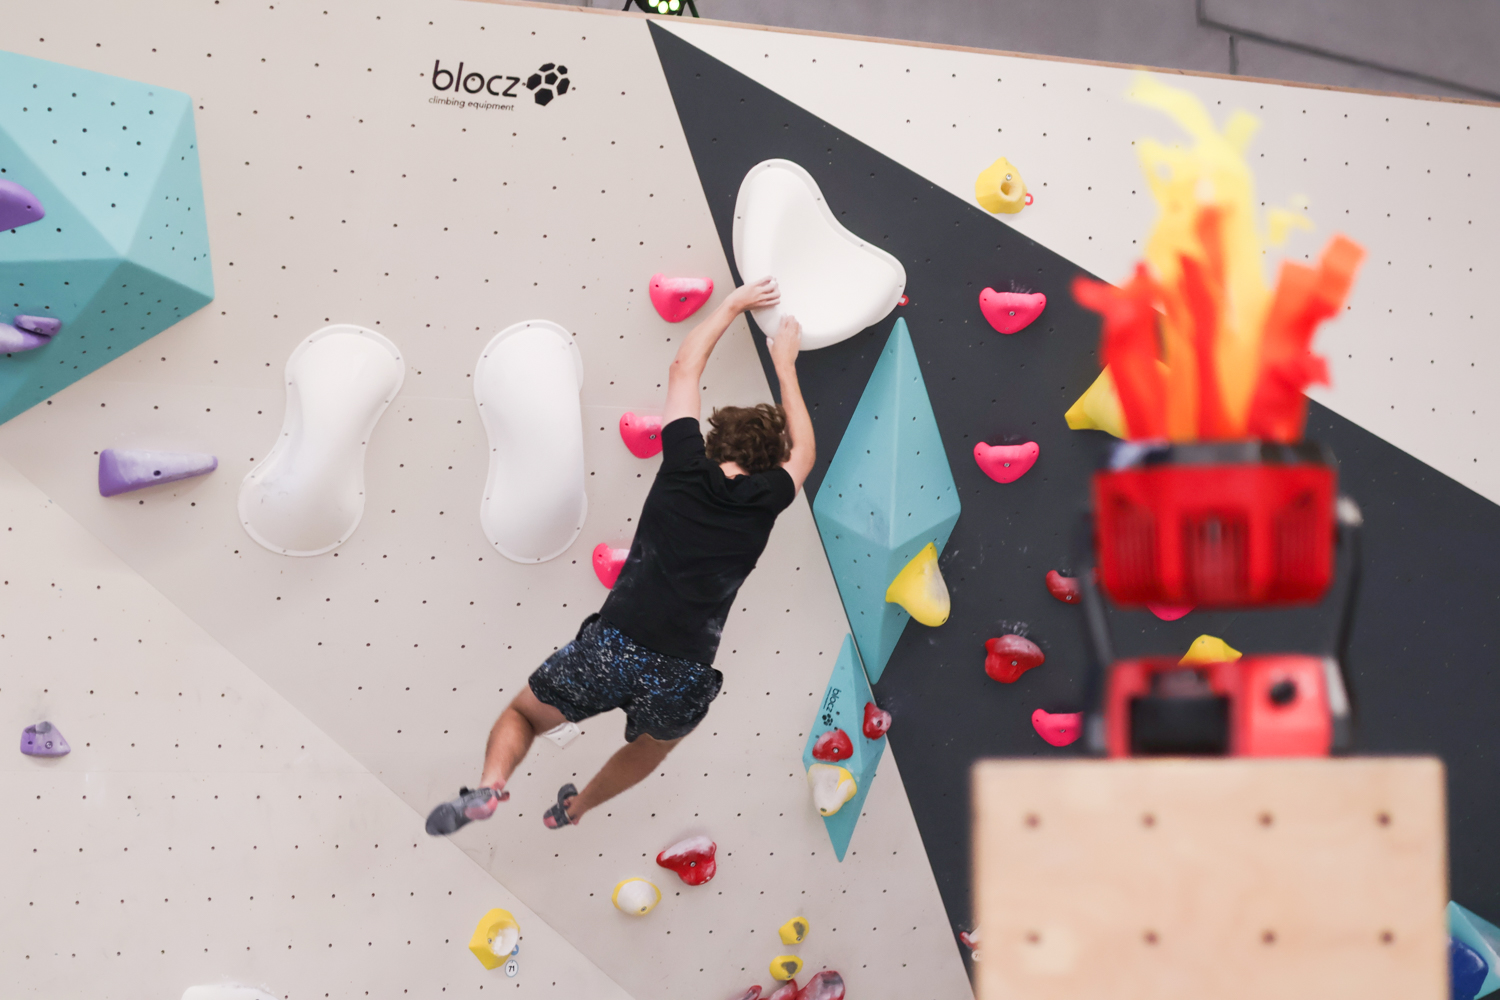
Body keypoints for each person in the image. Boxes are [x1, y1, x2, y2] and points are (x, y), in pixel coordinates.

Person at [427, 276, 814, 835]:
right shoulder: (768, 497)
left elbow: (684, 369)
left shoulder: (685, 465)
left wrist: (734, 305)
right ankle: (575, 808)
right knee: (653, 745)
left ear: (716, 443)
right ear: (769, 462)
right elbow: (806, 452)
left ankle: (490, 787)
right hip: (683, 672)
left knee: (523, 716)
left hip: (615, 646)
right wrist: (788, 367)